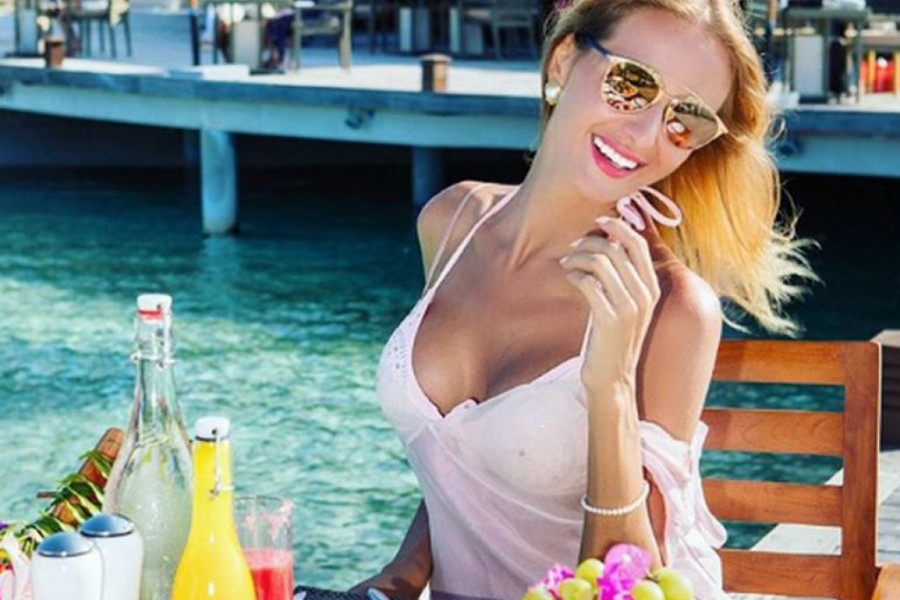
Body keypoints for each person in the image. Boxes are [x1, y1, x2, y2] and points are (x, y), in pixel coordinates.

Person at [351, 0, 818, 599]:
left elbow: (633, 584)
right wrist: (402, 573)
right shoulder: (452, 222)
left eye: (685, 119)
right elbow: (458, 461)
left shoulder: (671, 310)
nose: (645, 134)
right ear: (563, 62)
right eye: (631, 84)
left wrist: (611, 385)